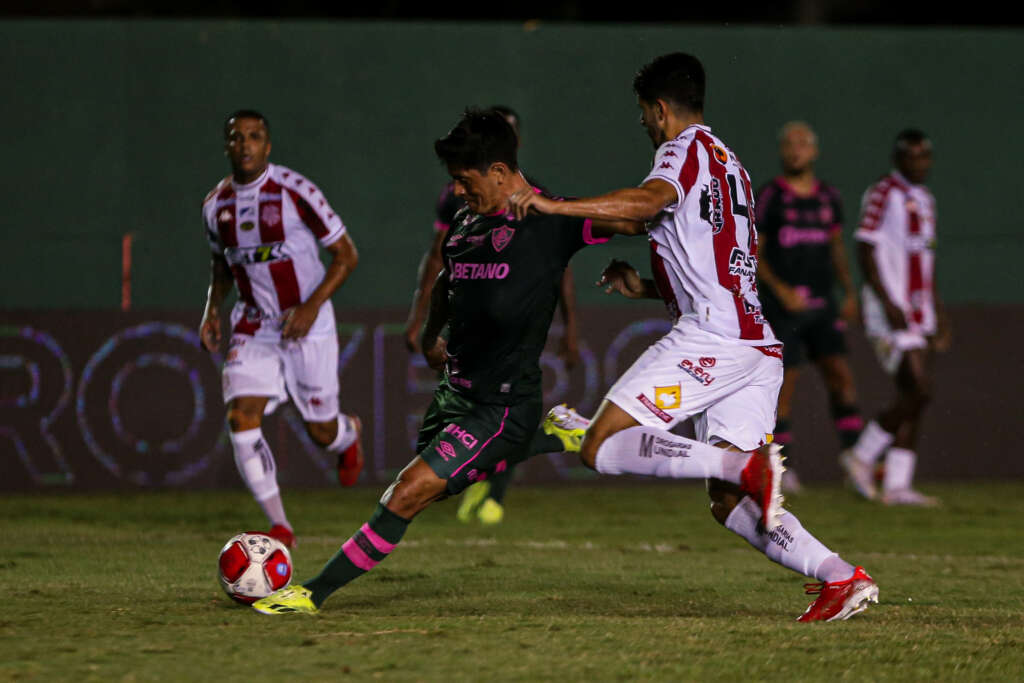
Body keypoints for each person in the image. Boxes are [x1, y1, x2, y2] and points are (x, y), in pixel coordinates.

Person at [510, 52, 878, 622]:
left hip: (714, 337)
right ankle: (841, 577)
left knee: (600, 446)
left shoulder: (682, 150)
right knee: (727, 504)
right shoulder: (732, 166)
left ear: (660, 109)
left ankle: (738, 466)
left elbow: (644, 206)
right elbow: (719, 261)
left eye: (643, 112)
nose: (642, 123)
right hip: (755, 345)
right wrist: (646, 287)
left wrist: (550, 205)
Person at [253, 109, 610, 615]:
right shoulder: (466, 221)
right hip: (455, 393)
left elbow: (637, 216)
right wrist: (429, 333)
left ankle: (312, 593)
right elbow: (447, 279)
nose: (458, 191)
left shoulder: (549, 219)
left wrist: (647, 272)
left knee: (407, 493)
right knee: (434, 489)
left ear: (499, 172)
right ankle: (551, 436)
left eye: (465, 180)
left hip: (503, 405)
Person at [403, 106, 581, 526]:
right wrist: (422, 322)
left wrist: (571, 326)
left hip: (509, 341)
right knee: (429, 470)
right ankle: (508, 465)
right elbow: (440, 260)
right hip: (467, 343)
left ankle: (494, 494)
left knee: (502, 418)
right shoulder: (459, 196)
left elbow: (560, 269)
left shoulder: (537, 202)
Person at [200, 110, 364, 549]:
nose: (245, 145)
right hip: (254, 326)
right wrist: (212, 309)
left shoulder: (295, 191)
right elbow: (222, 264)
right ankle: (280, 527)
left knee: (321, 432)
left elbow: (347, 255)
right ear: (227, 145)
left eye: (254, 137)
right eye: (237, 137)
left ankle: (349, 434)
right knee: (241, 416)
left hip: (307, 325)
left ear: (267, 146)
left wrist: (310, 306)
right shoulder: (215, 205)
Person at [840, 129, 951, 506]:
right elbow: (864, 246)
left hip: (920, 311)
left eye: (925, 156)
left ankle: (897, 485)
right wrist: (887, 300)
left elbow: (926, 259)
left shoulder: (926, 199)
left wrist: (938, 311)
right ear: (898, 158)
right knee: (920, 389)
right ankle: (862, 456)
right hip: (891, 308)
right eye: (912, 156)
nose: (920, 163)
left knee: (914, 396)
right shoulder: (883, 193)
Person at [754, 121, 864, 493]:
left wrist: (848, 291)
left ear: (814, 151)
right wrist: (781, 291)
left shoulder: (828, 197)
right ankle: (782, 469)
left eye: (802, 143)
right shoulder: (771, 195)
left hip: (823, 305)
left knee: (841, 378)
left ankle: (855, 461)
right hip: (783, 309)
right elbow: (754, 252)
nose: (795, 150)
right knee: (785, 386)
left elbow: (836, 247)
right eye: (789, 144)